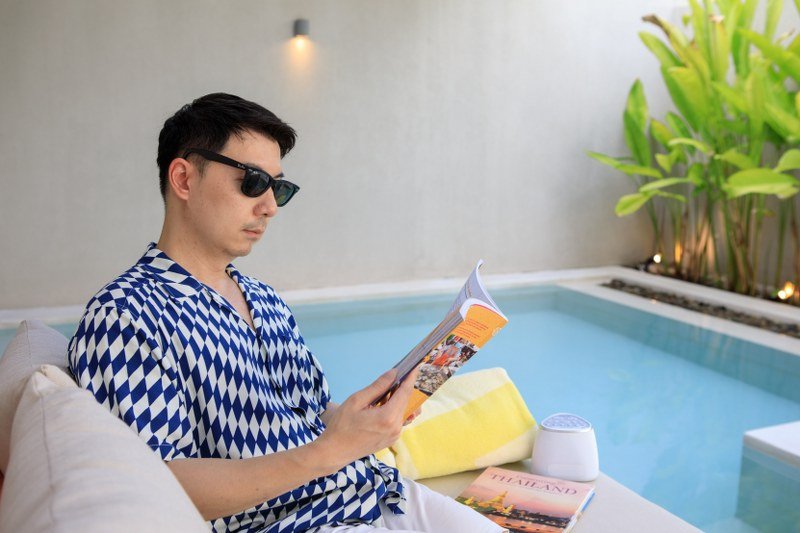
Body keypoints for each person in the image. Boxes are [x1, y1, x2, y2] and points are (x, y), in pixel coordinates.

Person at [67, 93, 503, 533]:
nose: (270, 206)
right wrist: (332, 451)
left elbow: (313, 412)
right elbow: (158, 484)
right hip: (289, 523)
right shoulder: (126, 316)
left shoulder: (263, 299)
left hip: (374, 490)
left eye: (278, 187)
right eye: (253, 182)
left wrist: (367, 420)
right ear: (184, 178)